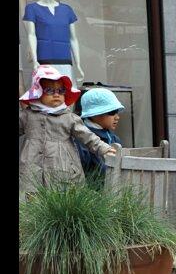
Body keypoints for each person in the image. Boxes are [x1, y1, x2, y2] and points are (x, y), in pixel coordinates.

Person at [19, 64, 115, 198]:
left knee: (62, 196)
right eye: (49, 90)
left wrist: (103, 148)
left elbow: (87, 136)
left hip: (62, 164)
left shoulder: (69, 118)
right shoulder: (28, 116)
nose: (56, 95)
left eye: (61, 90)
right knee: (32, 196)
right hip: (32, 164)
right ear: (38, 92)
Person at [74, 88, 124, 188]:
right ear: (94, 114)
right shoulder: (81, 141)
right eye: (112, 112)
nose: (117, 117)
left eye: (117, 111)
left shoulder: (114, 139)